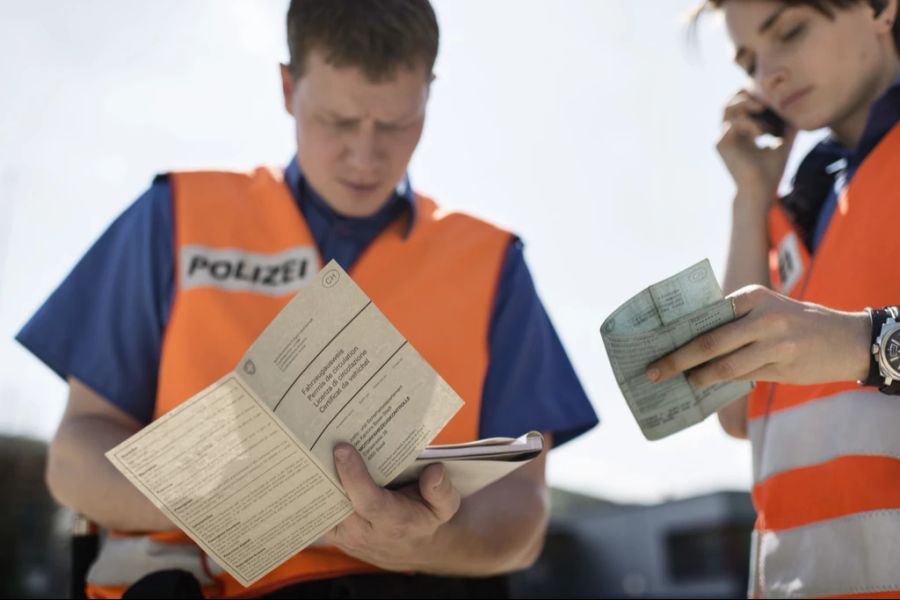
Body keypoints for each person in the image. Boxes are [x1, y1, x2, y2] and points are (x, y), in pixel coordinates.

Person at [15, 1, 598, 597]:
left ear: (429, 91)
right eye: (338, 121)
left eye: (397, 124)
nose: (366, 157)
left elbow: (522, 514)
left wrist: (427, 542)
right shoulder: (178, 217)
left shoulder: (492, 263)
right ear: (288, 88)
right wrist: (235, 501)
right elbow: (75, 459)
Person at [648, 0, 900, 596]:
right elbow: (737, 410)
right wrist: (751, 197)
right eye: (748, 60)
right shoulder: (801, 205)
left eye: (789, 31)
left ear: (882, 8)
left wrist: (862, 344)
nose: (768, 76)